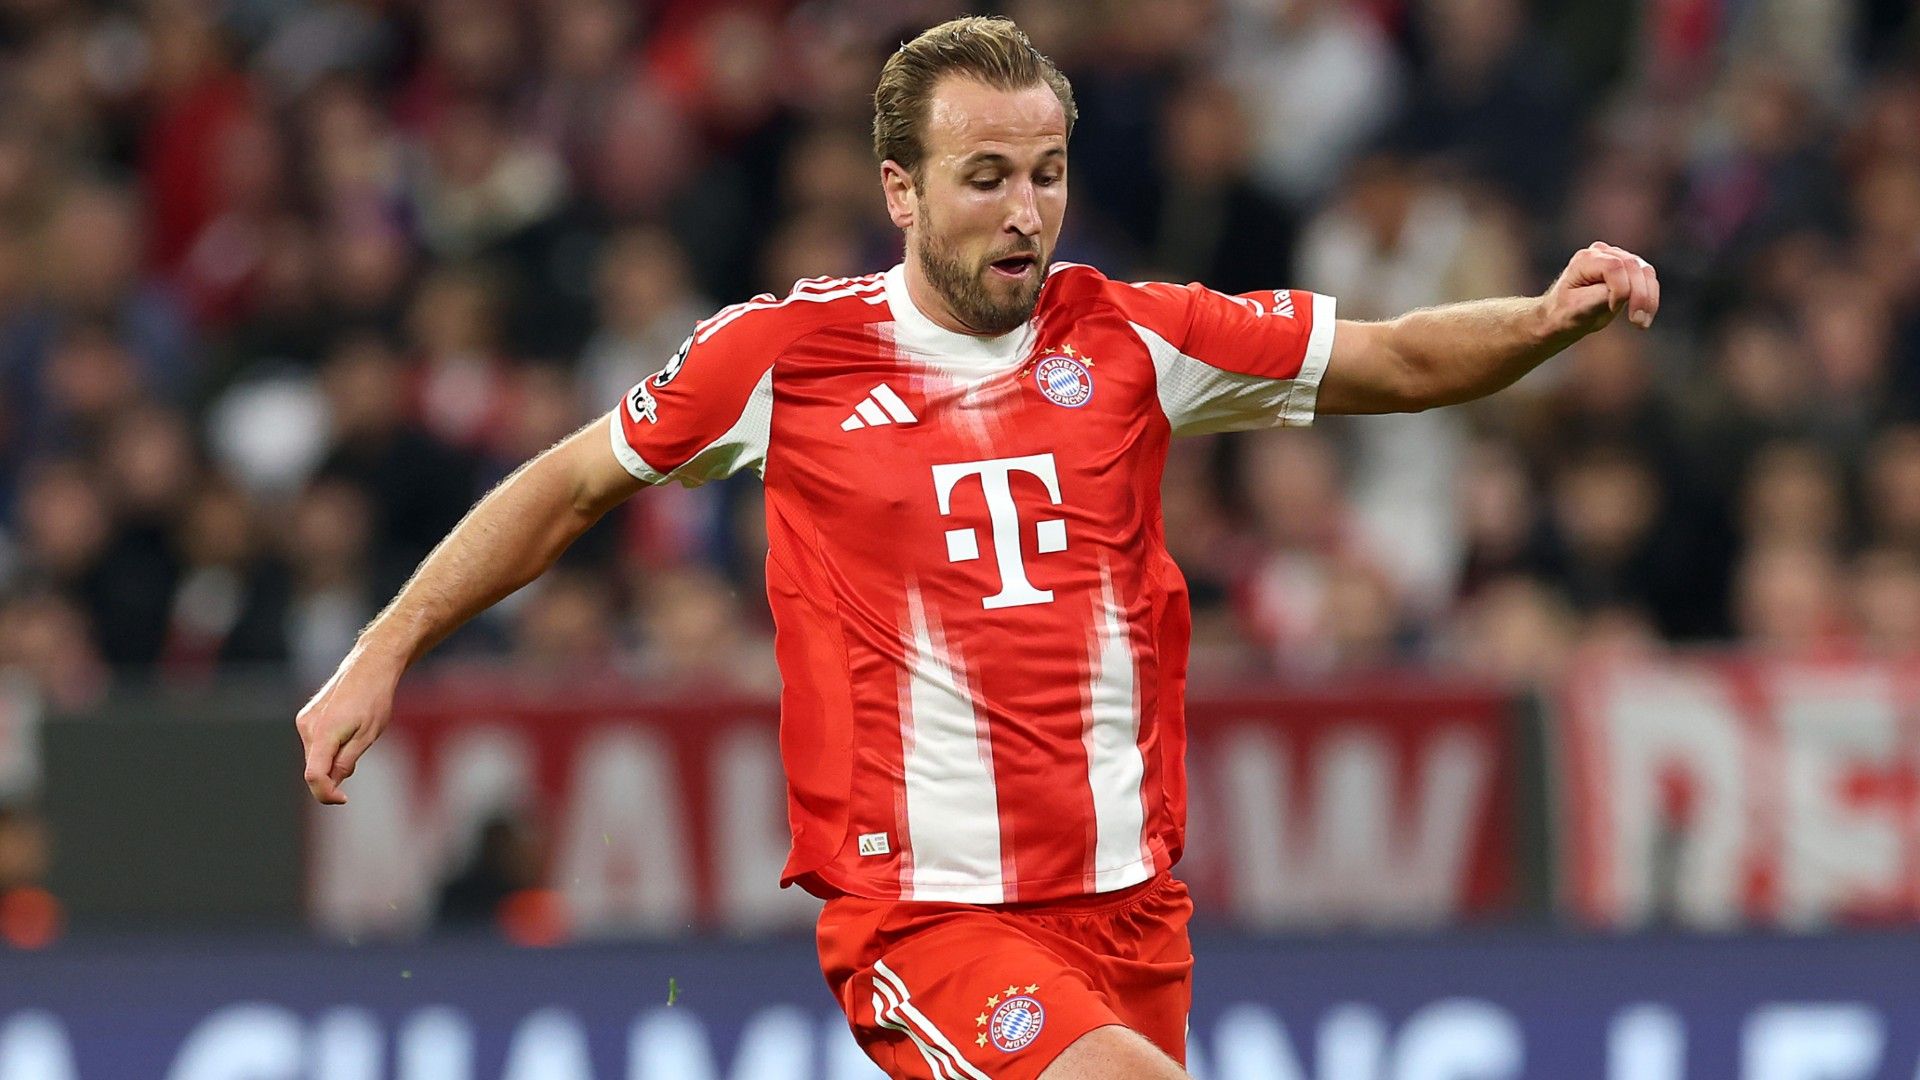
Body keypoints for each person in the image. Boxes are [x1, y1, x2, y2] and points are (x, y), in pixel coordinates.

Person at [296, 16, 1659, 1080]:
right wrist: (383, 651)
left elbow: (1402, 357)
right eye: (987, 177)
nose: (1025, 211)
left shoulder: (1132, 335)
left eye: (1048, 174)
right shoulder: (785, 358)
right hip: (933, 918)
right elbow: (565, 487)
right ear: (900, 187)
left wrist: (1544, 320)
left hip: (1134, 914)